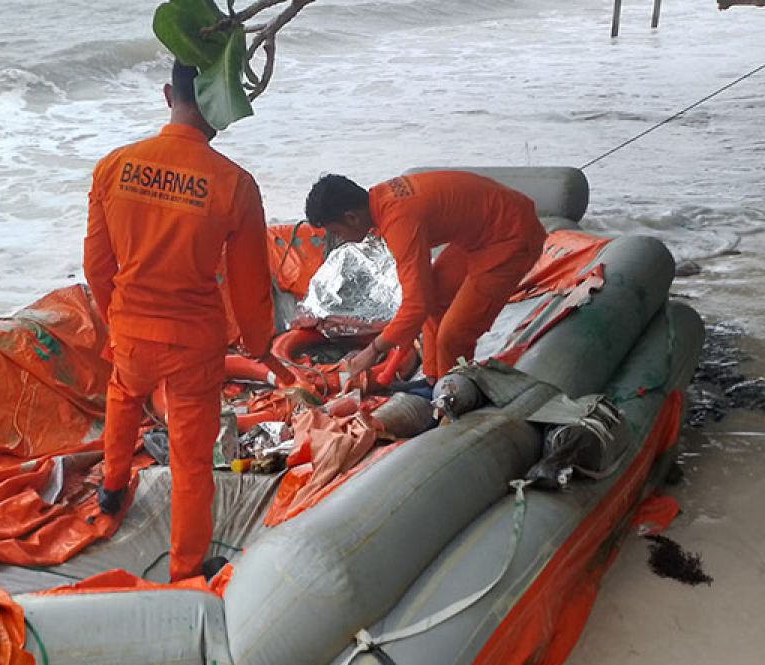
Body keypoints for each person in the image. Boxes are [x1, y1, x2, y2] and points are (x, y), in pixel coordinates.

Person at [83, 61, 293, 582]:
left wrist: (117, 313)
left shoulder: (114, 166)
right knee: (192, 460)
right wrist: (260, 345)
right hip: (194, 341)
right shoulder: (234, 184)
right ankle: (185, 570)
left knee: (123, 395)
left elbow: (96, 264)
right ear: (219, 107)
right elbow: (249, 285)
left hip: (131, 327)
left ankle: (111, 493)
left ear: (166, 95)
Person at [304, 171, 547, 387]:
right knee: (437, 294)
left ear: (352, 218)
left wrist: (373, 350)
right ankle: (433, 379)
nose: (340, 239)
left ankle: (453, 400)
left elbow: (415, 305)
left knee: (453, 335)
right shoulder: (380, 199)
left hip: (511, 235)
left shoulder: (400, 220)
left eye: (336, 232)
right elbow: (425, 298)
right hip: (479, 234)